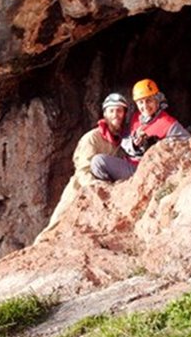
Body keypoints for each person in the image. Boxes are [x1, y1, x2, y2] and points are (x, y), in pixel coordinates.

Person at [40, 92, 129, 234]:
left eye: (119, 110)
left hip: (104, 192)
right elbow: (83, 170)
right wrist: (95, 187)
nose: (116, 115)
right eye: (111, 111)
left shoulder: (122, 140)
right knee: (55, 226)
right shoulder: (92, 138)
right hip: (79, 189)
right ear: (105, 114)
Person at [90, 79, 190, 182]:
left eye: (149, 100)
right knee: (98, 162)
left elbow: (187, 143)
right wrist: (134, 144)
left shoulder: (168, 123)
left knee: (98, 161)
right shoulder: (136, 117)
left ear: (157, 99)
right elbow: (124, 138)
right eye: (141, 102)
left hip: (145, 169)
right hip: (129, 163)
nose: (145, 106)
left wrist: (157, 145)